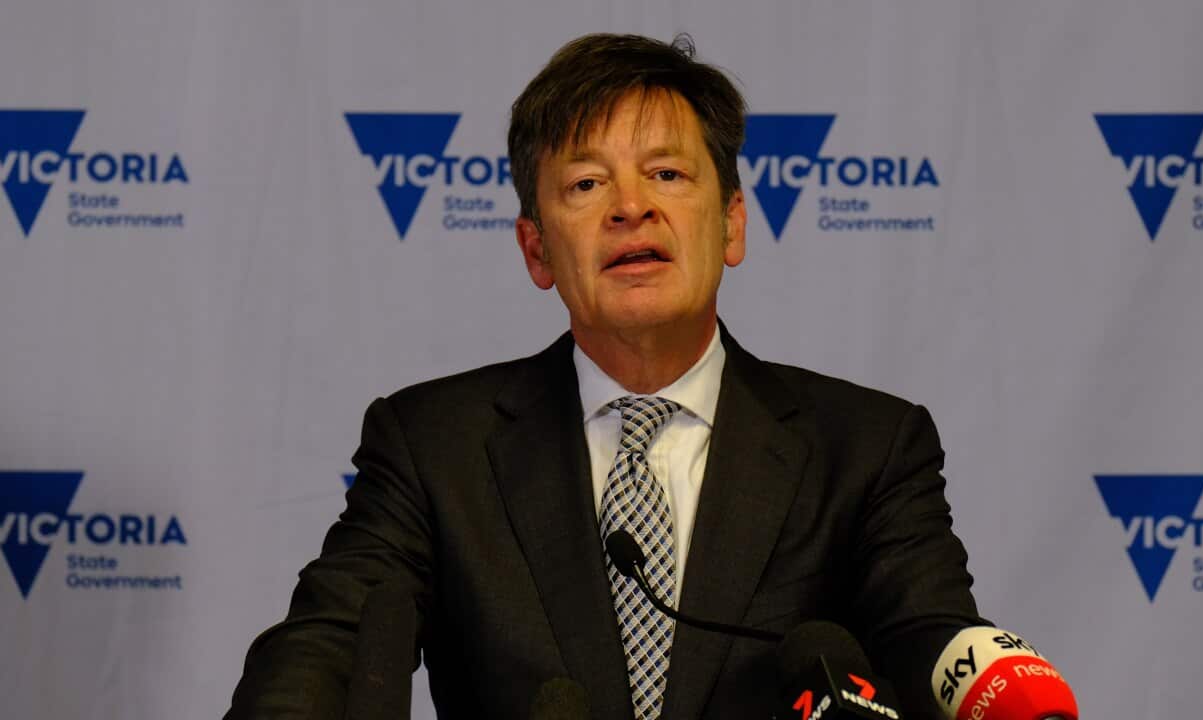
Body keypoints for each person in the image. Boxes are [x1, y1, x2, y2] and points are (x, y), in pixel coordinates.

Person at [226, 33, 984, 720]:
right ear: (537, 251)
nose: (631, 207)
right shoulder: (434, 447)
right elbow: (331, 638)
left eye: (667, 172)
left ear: (732, 224)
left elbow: (934, 643)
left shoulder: (866, 448)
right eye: (586, 185)